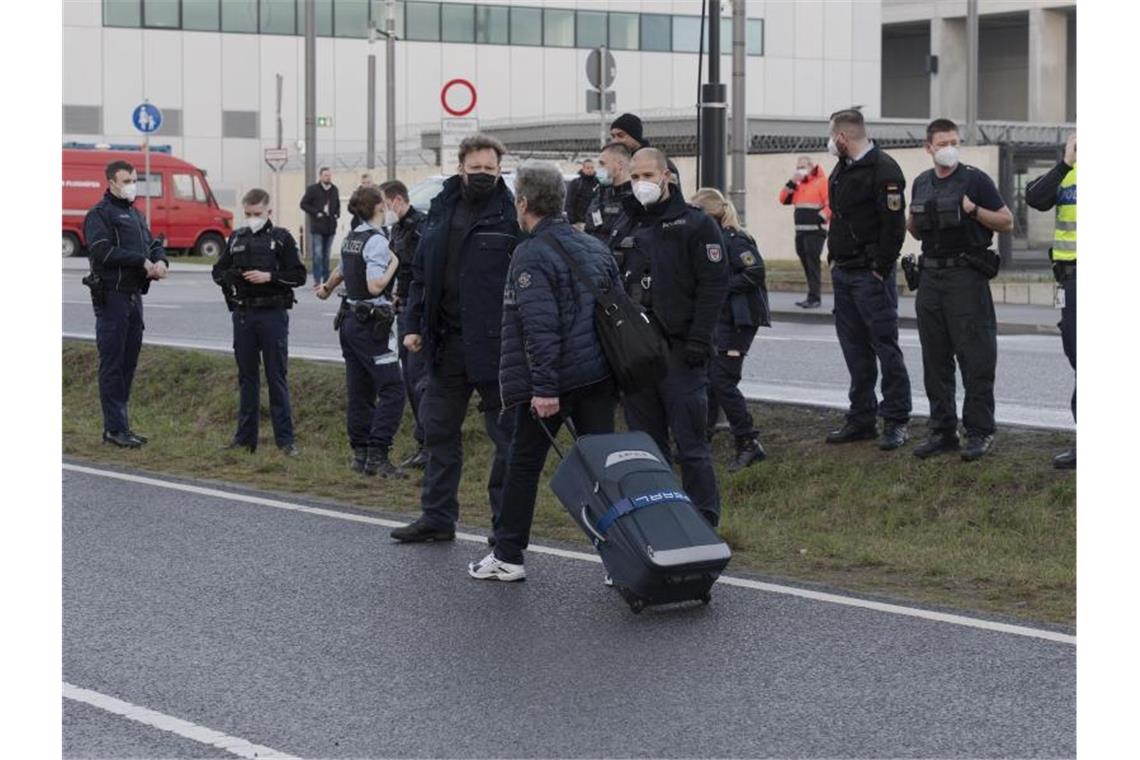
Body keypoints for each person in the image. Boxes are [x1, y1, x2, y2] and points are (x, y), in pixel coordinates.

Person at [468, 161, 621, 581]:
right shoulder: (592, 246)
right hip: (598, 378)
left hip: (553, 384)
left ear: (522, 203)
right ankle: (621, 559)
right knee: (602, 474)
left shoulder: (530, 253)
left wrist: (545, 388)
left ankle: (509, 555)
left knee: (522, 467)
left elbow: (539, 327)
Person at [392, 133, 519, 543]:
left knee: (507, 440)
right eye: (475, 167)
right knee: (438, 431)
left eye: (490, 169)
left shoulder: (513, 214)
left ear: (500, 170)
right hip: (445, 343)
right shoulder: (441, 209)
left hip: (496, 346)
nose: (482, 174)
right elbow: (419, 275)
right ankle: (437, 516)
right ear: (460, 167)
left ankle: (505, 529)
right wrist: (412, 324)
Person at [618, 148, 729, 527]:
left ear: (667, 176)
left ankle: (703, 522)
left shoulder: (695, 224)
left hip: (682, 352)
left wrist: (700, 339)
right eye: (634, 177)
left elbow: (714, 285)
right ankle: (660, 522)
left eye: (648, 175)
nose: (641, 184)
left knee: (692, 448)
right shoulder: (627, 224)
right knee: (647, 449)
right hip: (636, 355)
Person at [908, 118, 1013, 462]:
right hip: (931, 280)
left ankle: (979, 431)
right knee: (935, 359)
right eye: (942, 143)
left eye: (954, 141)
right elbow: (916, 229)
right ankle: (942, 431)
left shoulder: (975, 179)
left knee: (976, 357)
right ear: (929, 148)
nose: (949, 147)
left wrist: (973, 210)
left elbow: (1006, 221)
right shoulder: (921, 183)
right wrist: (912, 218)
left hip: (966, 277)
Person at [824, 108, 912, 451]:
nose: (832, 143)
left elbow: (893, 226)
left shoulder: (884, 170)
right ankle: (862, 417)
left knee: (884, 348)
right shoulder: (844, 167)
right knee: (854, 350)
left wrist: (880, 266)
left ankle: (896, 420)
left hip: (870, 275)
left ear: (843, 138)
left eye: (833, 137)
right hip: (844, 271)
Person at [314, 185, 406, 478]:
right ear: (380, 205)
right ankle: (379, 454)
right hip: (370, 326)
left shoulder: (352, 237)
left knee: (360, 390)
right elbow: (374, 285)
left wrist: (327, 288)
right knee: (393, 388)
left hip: (350, 322)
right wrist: (395, 263)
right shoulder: (377, 241)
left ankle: (360, 453)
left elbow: (340, 270)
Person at [212, 188, 307, 456]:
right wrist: (230, 278)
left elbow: (298, 275)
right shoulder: (236, 238)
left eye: (257, 213)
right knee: (247, 378)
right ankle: (245, 440)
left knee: (276, 377)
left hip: (272, 315)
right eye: (248, 214)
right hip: (243, 315)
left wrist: (269, 277)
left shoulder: (282, 238)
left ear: (269, 212)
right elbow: (218, 270)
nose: (252, 218)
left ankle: (286, 441)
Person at [82, 159, 169, 448]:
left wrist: (159, 261)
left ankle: (122, 426)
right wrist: (140, 261)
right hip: (112, 297)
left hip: (134, 296)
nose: (132, 184)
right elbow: (101, 250)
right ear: (111, 183)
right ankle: (113, 430)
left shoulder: (135, 213)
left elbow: (151, 243)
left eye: (134, 179)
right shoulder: (99, 214)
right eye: (126, 180)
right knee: (113, 363)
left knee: (128, 362)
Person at [692, 188, 771, 472]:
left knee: (723, 382)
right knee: (712, 382)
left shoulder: (735, 240)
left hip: (738, 321)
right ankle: (702, 439)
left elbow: (755, 271)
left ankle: (748, 443)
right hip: (724, 319)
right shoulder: (715, 239)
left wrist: (719, 289)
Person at [1025, 132, 1077, 469]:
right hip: (1073, 279)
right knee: (1079, 359)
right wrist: (1065, 163)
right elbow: (1035, 198)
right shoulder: (1067, 172)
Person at [380, 179, 430, 470]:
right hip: (403, 308)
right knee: (410, 379)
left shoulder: (420, 227)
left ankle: (429, 443)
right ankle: (422, 442)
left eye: (386, 204)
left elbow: (418, 268)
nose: (385, 210)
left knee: (419, 377)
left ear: (397, 200)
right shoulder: (397, 228)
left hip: (418, 309)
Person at [779, 155, 830, 308]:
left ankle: (815, 298)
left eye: (803, 166)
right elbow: (783, 199)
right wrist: (792, 182)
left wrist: (820, 218)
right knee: (806, 263)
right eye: (798, 167)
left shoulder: (822, 182)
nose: (800, 169)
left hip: (815, 231)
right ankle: (811, 295)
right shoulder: (798, 184)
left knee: (812, 262)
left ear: (811, 166)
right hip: (800, 231)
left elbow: (831, 203)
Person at [584, 142, 633, 247]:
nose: (598, 169)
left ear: (619, 165)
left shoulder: (633, 200)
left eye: (602, 164)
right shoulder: (601, 194)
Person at [608, 112, 681, 184]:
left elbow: (672, 191)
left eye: (620, 135)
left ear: (634, 136)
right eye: (613, 136)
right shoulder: (621, 162)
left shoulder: (656, 160)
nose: (615, 141)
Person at [300, 167, 340, 286]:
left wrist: (337, 214)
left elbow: (337, 203)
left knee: (327, 255)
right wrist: (316, 212)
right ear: (320, 176)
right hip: (317, 226)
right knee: (318, 254)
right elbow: (303, 204)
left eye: (329, 175)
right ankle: (317, 280)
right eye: (326, 175)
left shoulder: (334, 189)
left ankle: (326, 279)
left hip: (330, 226)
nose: (328, 177)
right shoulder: (313, 189)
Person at [564, 159, 598, 230]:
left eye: (592, 168)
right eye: (587, 168)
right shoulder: (576, 183)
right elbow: (569, 203)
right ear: (583, 169)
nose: (590, 170)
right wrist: (572, 222)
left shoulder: (597, 183)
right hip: (579, 223)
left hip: (594, 222)